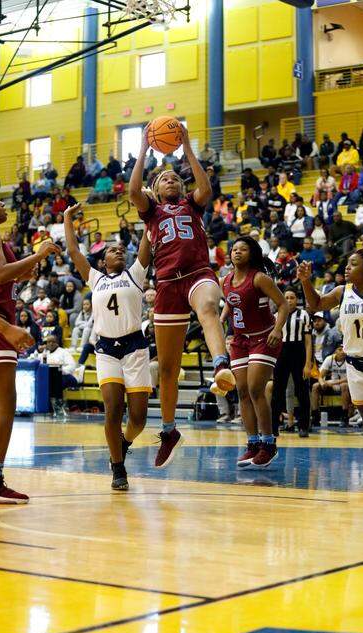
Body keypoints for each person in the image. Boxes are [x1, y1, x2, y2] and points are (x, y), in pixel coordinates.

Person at [129, 122, 236, 467]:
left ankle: (222, 365)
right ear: (156, 191)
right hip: (166, 285)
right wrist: (145, 148)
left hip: (197, 274)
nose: (171, 180)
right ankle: (170, 429)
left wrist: (187, 145)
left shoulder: (194, 203)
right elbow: (133, 192)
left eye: (175, 177)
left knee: (207, 307)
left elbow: (205, 185)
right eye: (164, 179)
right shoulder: (151, 212)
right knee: (168, 369)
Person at [0, 188, 61, 503]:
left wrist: (28, 264)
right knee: (6, 402)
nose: (2, 203)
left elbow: (0, 275)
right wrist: (38, 255)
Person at [64, 205, 154, 488]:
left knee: (138, 418)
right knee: (113, 409)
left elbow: (146, 241)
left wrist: (149, 210)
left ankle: (124, 443)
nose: (119, 252)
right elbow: (75, 252)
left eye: (121, 250)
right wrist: (68, 219)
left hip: (135, 347)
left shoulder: (136, 274)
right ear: (102, 262)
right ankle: (118, 469)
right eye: (112, 251)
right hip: (106, 350)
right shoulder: (95, 278)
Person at [296, 234, 363, 481]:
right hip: (356, 365)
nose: (347, 267)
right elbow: (316, 304)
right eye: (347, 264)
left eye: (353, 264)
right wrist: (306, 282)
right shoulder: (342, 292)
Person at [222, 237, 290, 468]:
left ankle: (268, 444)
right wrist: (221, 320)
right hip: (240, 340)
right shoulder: (226, 280)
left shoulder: (260, 278)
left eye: (243, 249)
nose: (237, 252)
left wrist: (278, 330)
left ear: (252, 254)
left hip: (264, 337)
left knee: (255, 388)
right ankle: (252, 444)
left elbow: (283, 305)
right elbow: (232, 302)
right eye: (234, 249)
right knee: (241, 391)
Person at [273, 289, 313, 437]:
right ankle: (273, 426)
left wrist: (308, 363)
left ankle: (303, 426)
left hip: (298, 352)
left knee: (302, 391)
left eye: (292, 298)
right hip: (281, 353)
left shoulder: (304, 315)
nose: (289, 300)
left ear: (297, 300)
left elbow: (308, 342)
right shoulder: (276, 316)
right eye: (286, 298)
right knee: (277, 391)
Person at [311, 345, 352, 429]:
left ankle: (344, 417)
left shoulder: (349, 359)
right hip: (333, 384)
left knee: (344, 386)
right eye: (340, 350)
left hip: (347, 385)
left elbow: (350, 378)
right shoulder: (329, 359)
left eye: (344, 350)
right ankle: (315, 416)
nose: (342, 352)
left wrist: (333, 383)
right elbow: (320, 376)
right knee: (315, 386)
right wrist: (322, 383)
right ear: (335, 352)